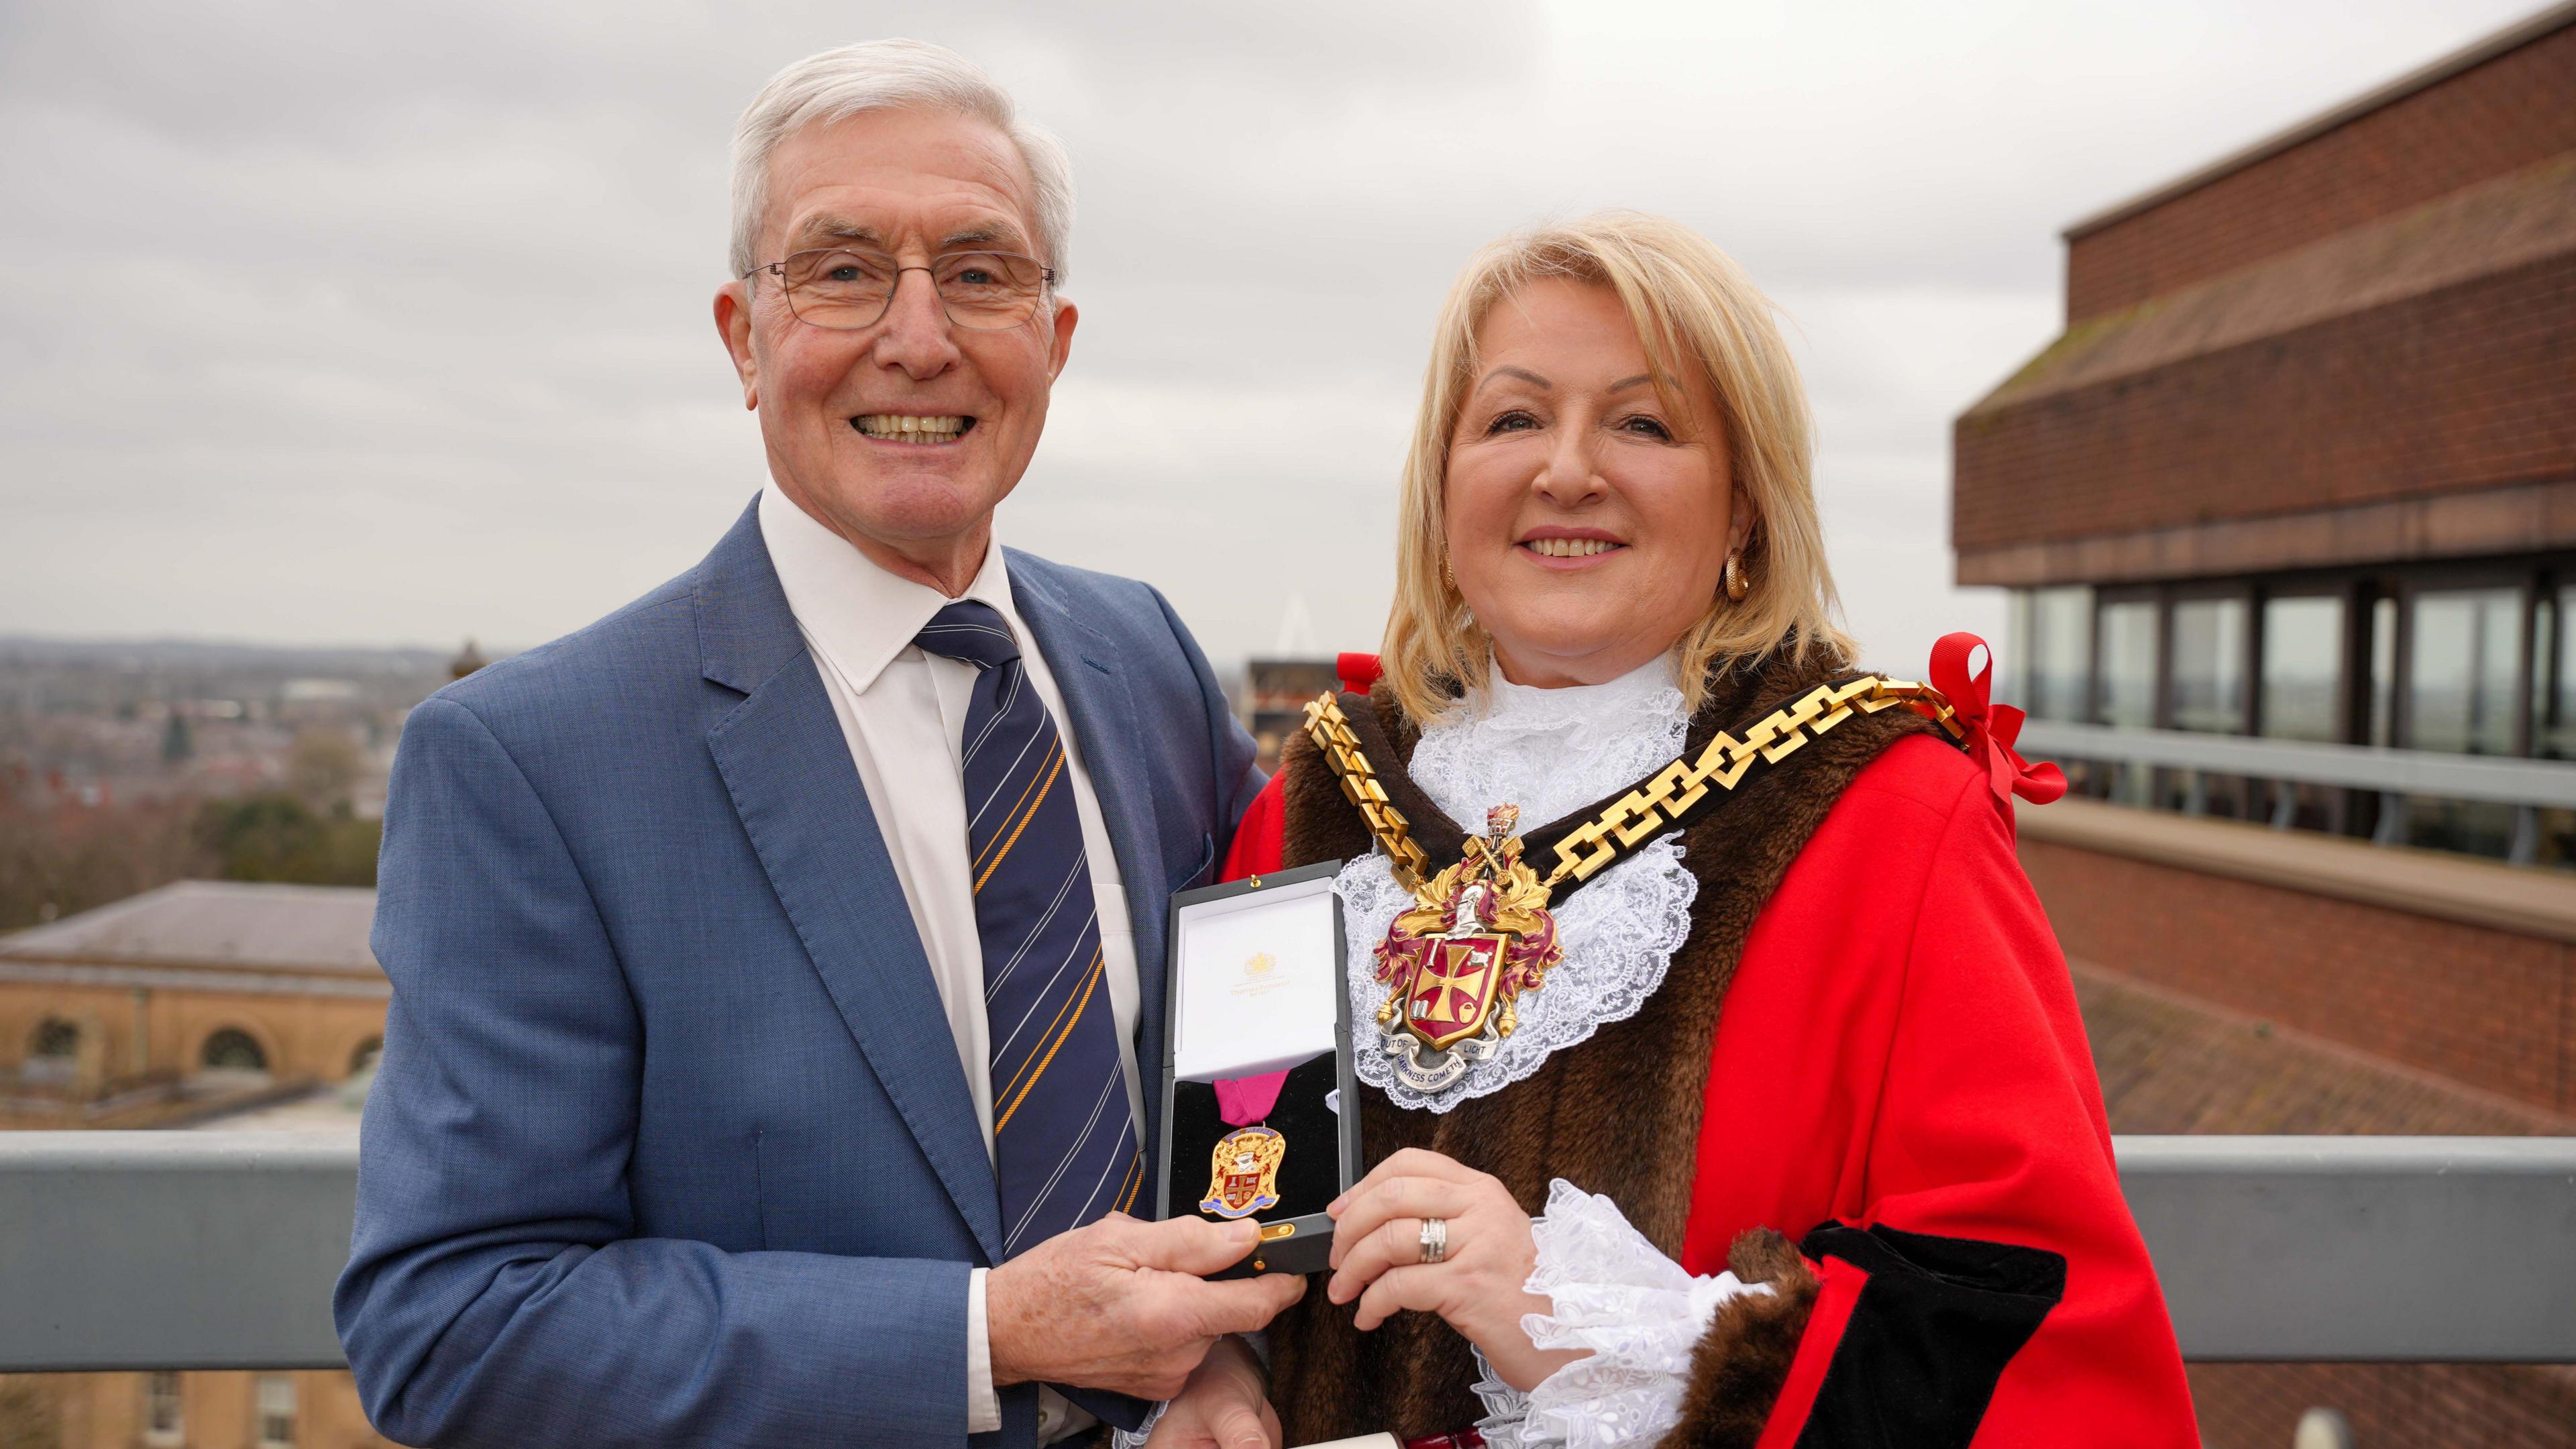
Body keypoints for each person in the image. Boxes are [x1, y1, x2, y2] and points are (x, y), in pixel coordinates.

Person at [334, 40, 1302, 1449]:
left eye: (981, 272)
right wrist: (992, 1340)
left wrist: (1214, 1351)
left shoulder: (1142, 659)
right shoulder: (529, 765)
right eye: (844, 271)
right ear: (742, 337)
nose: (921, 338)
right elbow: (456, 1329)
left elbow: (1246, 1093)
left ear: (1056, 339)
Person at [1220, 212, 2200, 1446]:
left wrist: (1581, 1325)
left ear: (1744, 506)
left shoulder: (1889, 811)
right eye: (1513, 419)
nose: (1566, 472)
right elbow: (1204, 1202)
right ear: (1442, 484)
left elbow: (2033, 1324)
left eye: (1642, 423)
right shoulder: (1313, 795)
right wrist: (1201, 1368)